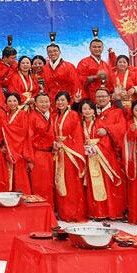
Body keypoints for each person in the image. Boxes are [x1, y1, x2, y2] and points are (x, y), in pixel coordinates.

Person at [78, 99, 124, 220]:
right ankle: (97, 212)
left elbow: (106, 139)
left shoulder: (100, 123)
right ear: (81, 111)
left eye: (90, 109)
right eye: (84, 109)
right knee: (92, 185)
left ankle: (109, 211)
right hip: (88, 157)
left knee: (106, 184)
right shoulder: (79, 125)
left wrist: (96, 148)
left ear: (94, 111)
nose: (87, 111)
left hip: (101, 157)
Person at [51, 91, 87, 222]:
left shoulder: (73, 115)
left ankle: (74, 212)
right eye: (58, 100)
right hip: (58, 152)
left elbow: (76, 135)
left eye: (63, 100)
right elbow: (51, 133)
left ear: (68, 102)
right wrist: (54, 143)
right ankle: (63, 212)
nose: (60, 102)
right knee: (59, 181)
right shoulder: (54, 116)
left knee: (71, 182)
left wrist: (64, 144)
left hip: (70, 154)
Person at [1, 92, 33, 194]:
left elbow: (22, 132)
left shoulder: (23, 114)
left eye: (14, 101)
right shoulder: (6, 115)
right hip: (9, 150)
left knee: (20, 177)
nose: (12, 103)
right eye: (9, 101)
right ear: (6, 103)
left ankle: (23, 197)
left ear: (19, 102)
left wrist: (7, 128)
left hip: (19, 149)